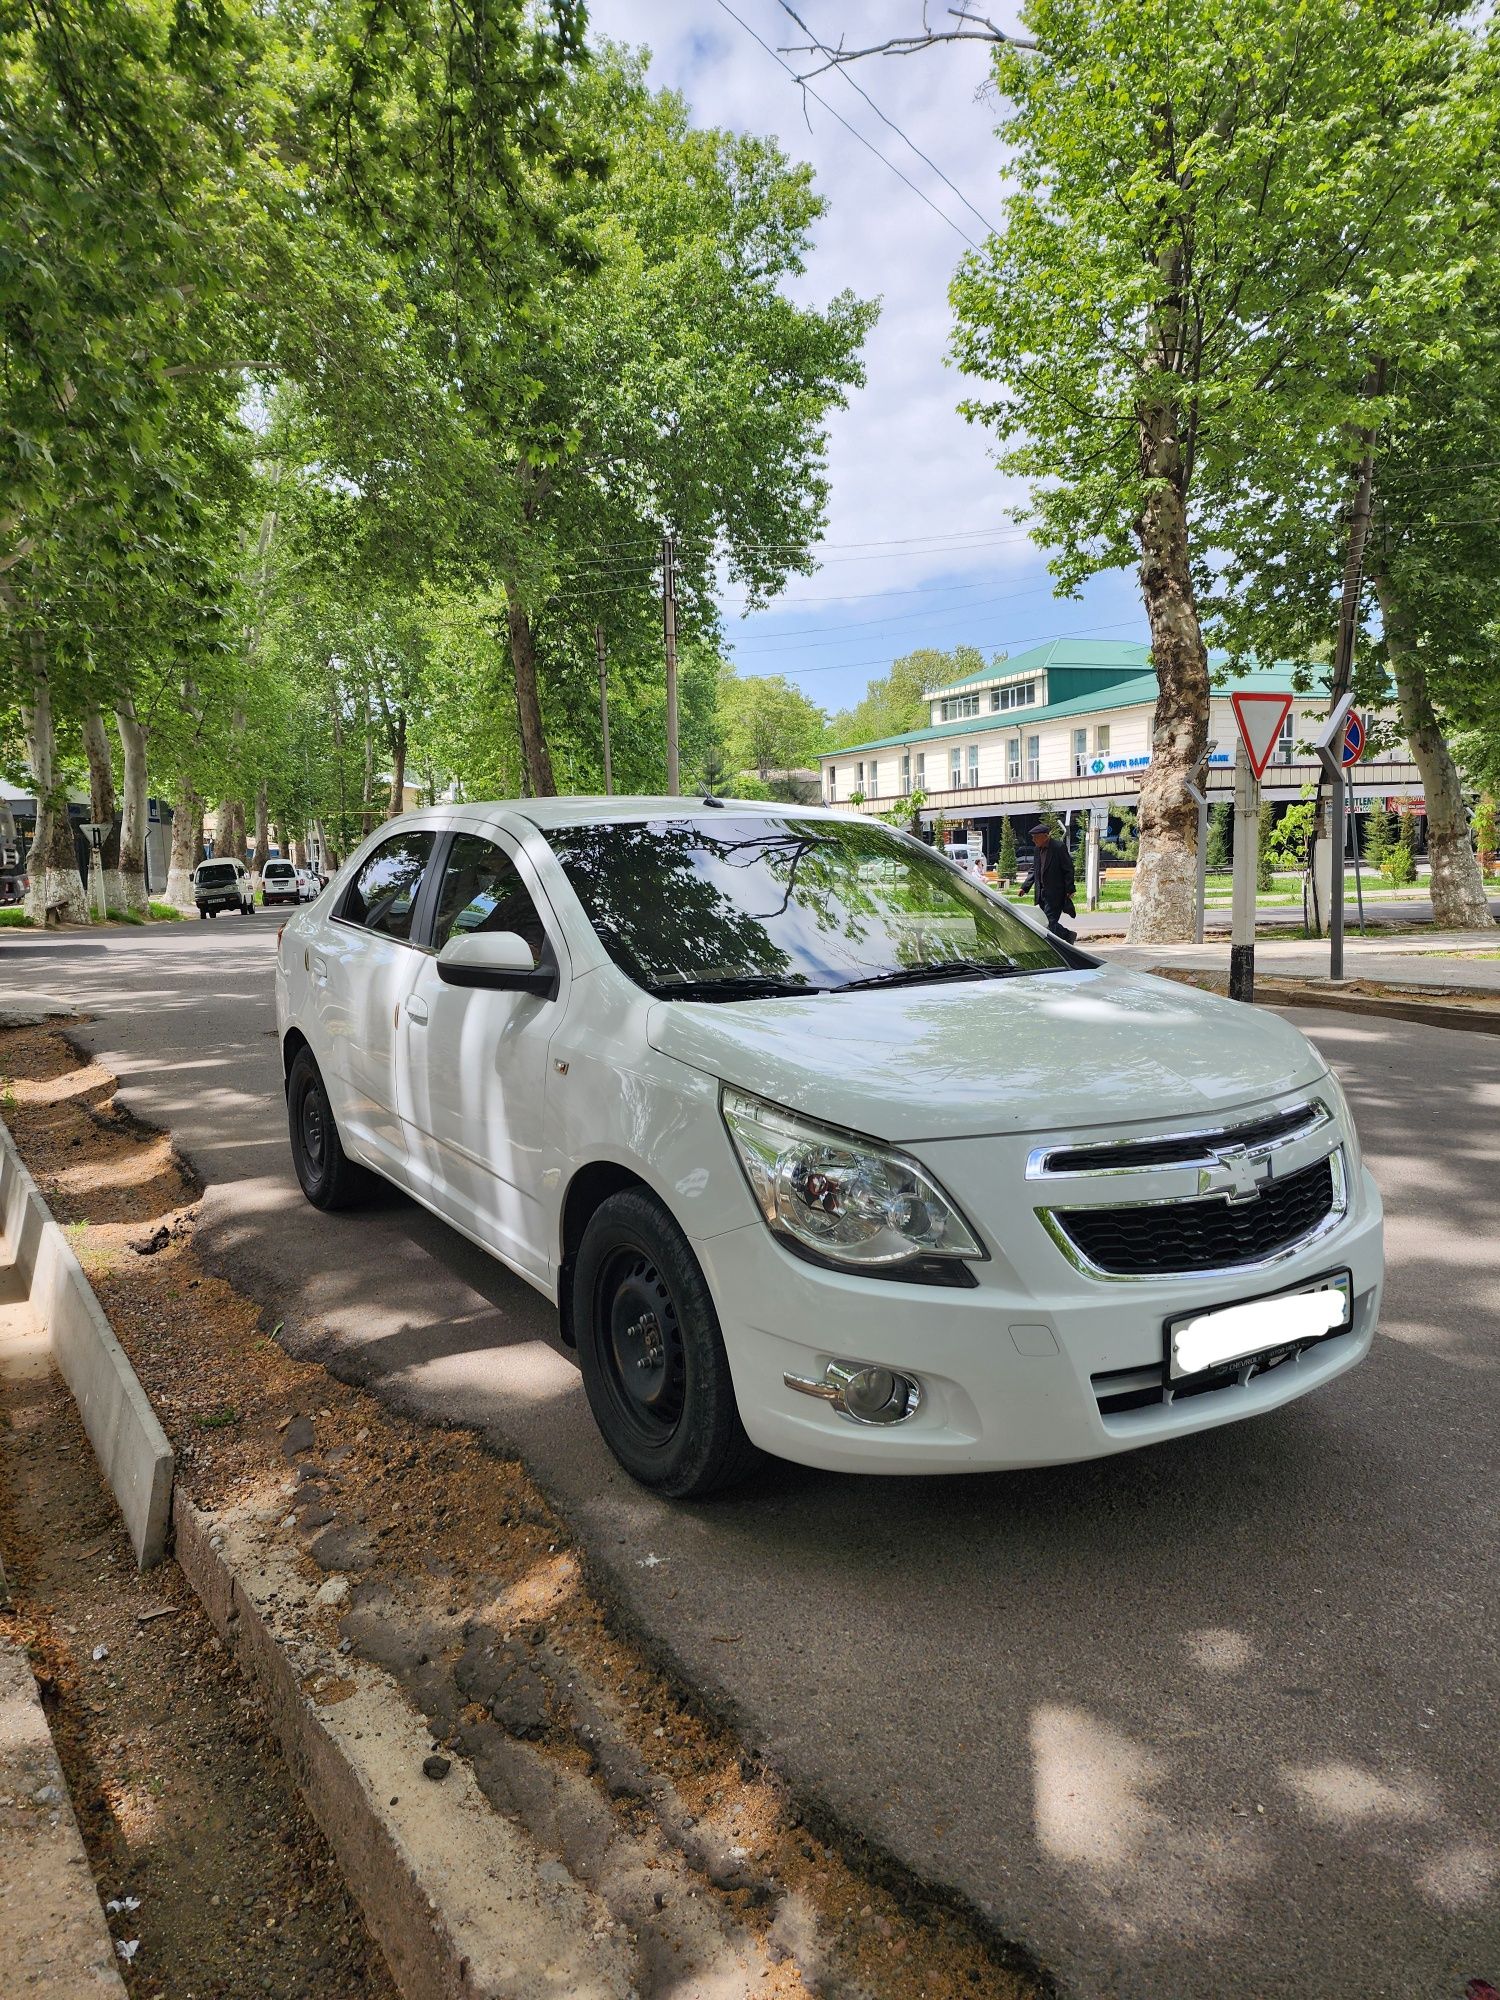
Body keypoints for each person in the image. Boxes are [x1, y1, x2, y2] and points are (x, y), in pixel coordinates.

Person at [1019, 821, 1077, 941]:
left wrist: (1070, 888)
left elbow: (1068, 868)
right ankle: (1066, 935)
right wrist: (1025, 887)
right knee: (1043, 921)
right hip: (1041, 893)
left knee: (1049, 922)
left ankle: (1064, 938)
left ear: (1045, 836)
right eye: (1033, 838)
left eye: (1036, 837)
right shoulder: (1037, 850)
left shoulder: (1058, 847)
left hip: (1056, 893)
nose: (1033, 840)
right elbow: (1034, 869)